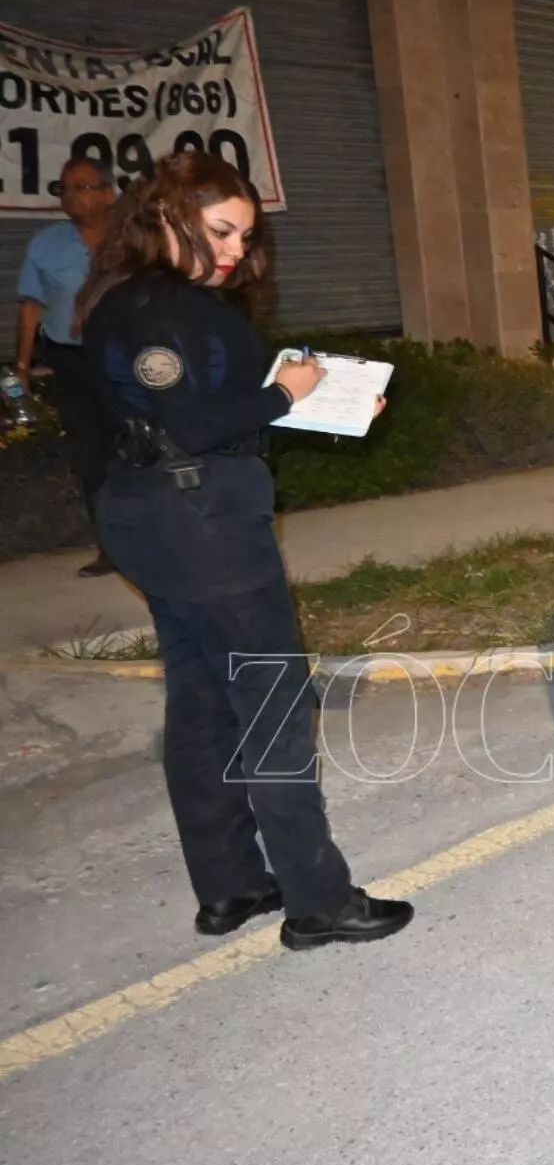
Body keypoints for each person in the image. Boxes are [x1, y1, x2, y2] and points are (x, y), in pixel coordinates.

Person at [74, 151, 412, 950]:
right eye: (219, 229)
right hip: (202, 525)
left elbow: (189, 412)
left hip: (151, 515)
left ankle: (229, 888)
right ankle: (319, 902)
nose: (233, 249)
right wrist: (287, 391)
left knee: (199, 703)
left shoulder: (123, 298)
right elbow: (196, 424)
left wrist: (326, 402)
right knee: (272, 706)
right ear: (165, 216)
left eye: (243, 235)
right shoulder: (164, 307)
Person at [14, 156, 119, 574]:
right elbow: (30, 307)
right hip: (72, 363)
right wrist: (22, 366)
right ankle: (111, 549)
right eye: (65, 189)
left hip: (125, 361)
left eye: (83, 187)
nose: (71, 196)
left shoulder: (134, 241)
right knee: (90, 455)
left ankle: (156, 538)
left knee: (137, 448)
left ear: (109, 193)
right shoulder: (46, 244)